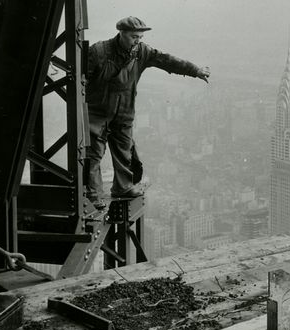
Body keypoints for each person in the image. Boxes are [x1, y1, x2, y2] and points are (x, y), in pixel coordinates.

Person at [84, 16, 209, 209]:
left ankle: (123, 187)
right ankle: (93, 195)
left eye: (140, 37)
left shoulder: (141, 52)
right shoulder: (99, 51)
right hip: (97, 112)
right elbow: (81, 78)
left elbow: (167, 60)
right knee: (94, 154)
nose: (138, 41)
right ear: (122, 34)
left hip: (124, 111)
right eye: (134, 36)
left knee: (124, 150)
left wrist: (195, 70)